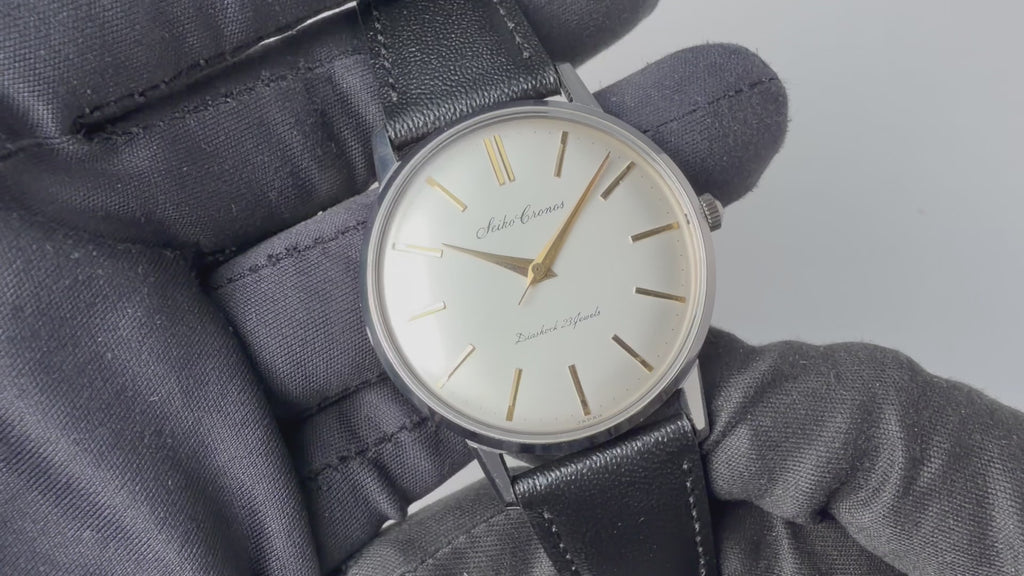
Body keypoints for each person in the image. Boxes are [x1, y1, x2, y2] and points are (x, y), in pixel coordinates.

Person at [0, 1, 1020, 574]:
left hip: (610, 387)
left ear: (692, 217)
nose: (537, 267)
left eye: (537, 260)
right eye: (527, 265)